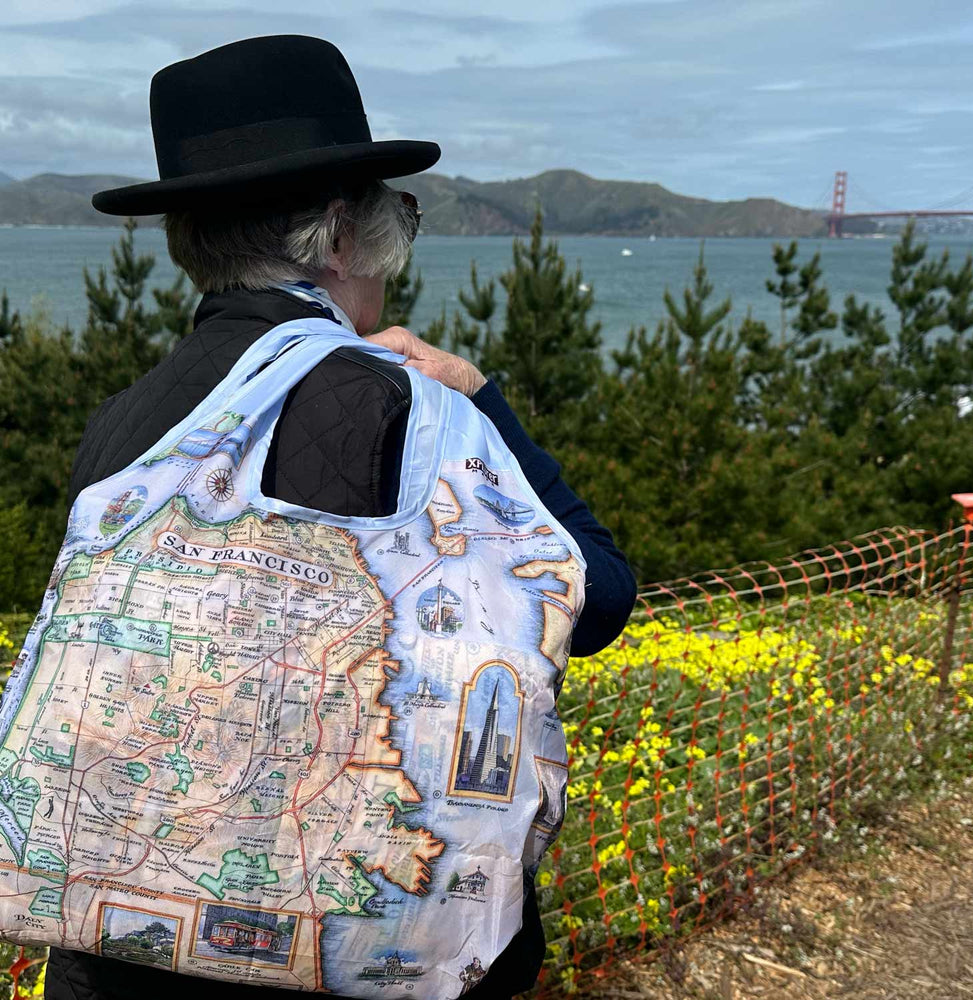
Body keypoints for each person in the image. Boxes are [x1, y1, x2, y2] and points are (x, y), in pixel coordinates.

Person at [46, 33, 636, 1000]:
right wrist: (483, 399)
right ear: (338, 234)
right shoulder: (413, 408)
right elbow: (599, 595)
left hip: (122, 953)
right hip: (347, 957)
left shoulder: (125, 426)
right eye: (391, 213)